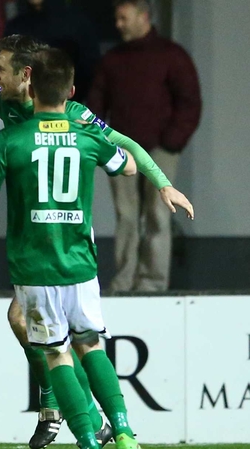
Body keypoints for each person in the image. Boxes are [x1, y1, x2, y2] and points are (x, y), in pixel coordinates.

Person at [0, 6, 193, 447]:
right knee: (51, 332)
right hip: (62, 246)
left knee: (44, 336)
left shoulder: (66, 116)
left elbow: (127, 143)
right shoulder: (9, 102)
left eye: (0, 69)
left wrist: (162, 183)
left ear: (28, 75)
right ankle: (94, 421)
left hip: (46, 246)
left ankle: (65, 414)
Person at [88, 0, 202, 292]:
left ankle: (152, 283)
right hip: (122, 152)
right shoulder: (113, 60)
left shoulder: (172, 56)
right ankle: (125, 281)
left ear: (144, 16)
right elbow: (97, 104)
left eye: (124, 18)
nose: (118, 24)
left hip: (160, 151)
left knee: (158, 215)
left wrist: (171, 142)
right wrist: (101, 142)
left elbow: (189, 103)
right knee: (126, 217)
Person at [4, 0, 101, 103]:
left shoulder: (77, 24)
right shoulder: (15, 26)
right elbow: (3, 70)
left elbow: (90, 71)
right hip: (21, 109)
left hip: (66, 107)